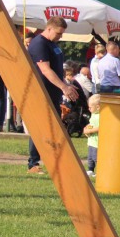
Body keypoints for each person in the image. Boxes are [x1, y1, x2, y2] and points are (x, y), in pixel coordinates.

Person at [27, 17, 80, 174]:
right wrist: (64, 87)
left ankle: (56, 161)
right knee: (41, 127)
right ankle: (33, 164)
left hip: (53, 92)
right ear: (49, 28)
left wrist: (66, 83)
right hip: (42, 91)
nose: (60, 37)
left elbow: (56, 70)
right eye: (58, 33)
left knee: (54, 126)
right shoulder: (39, 44)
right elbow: (45, 69)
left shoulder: (52, 44)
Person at [83, 94, 102, 176]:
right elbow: (91, 124)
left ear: (98, 107)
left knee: (96, 157)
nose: (89, 109)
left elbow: (101, 128)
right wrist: (87, 128)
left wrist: (90, 131)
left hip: (97, 142)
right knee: (90, 157)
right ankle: (90, 169)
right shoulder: (93, 114)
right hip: (91, 141)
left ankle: (100, 171)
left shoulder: (101, 115)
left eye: (90, 107)